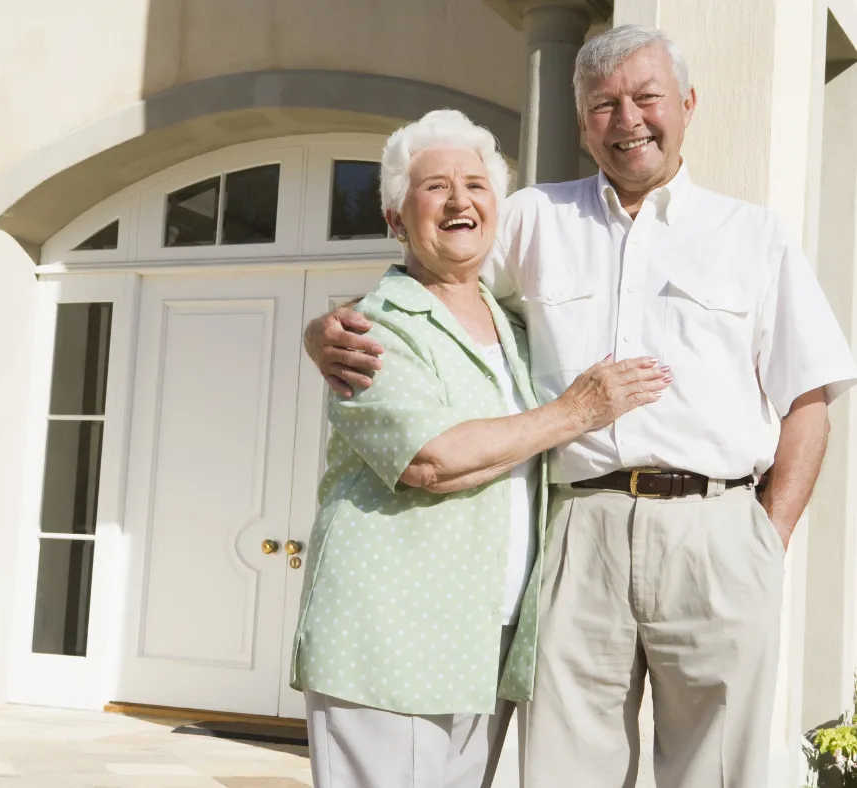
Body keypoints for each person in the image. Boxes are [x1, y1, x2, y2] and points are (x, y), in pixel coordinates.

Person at [302, 25, 857, 788]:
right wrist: (324, 326)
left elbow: (810, 398)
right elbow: (433, 269)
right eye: (604, 104)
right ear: (583, 120)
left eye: (646, 97)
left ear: (687, 104)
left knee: (718, 770)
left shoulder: (752, 236)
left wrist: (768, 537)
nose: (627, 119)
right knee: (567, 769)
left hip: (717, 531)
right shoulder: (532, 218)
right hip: (578, 527)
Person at [289, 109, 671, 788]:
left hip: (481, 641)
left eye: (476, 184)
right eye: (435, 187)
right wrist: (577, 411)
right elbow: (431, 460)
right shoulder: (374, 326)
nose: (460, 199)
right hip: (390, 637)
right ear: (395, 218)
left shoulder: (513, 324)